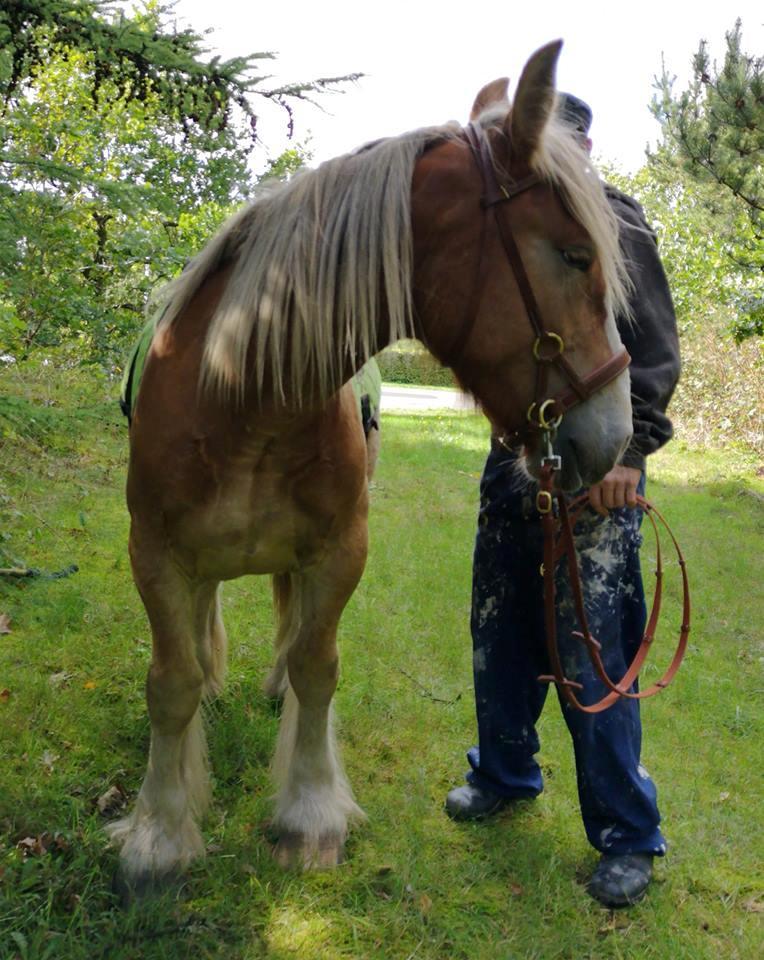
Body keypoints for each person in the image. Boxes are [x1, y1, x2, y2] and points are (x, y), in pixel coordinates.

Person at [445, 93, 681, 908]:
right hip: (513, 462)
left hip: (598, 468)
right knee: (499, 629)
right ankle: (505, 774)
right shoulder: (512, 225)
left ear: (579, 146)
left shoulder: (614, 220)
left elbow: (650, 351)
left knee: (594, 652)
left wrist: (634, 451)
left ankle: (628, 834)